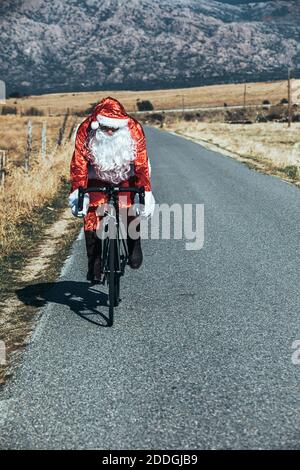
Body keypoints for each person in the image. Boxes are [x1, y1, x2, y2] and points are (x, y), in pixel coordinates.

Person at [69, 97, 155, 282]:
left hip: (126, 172)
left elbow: (141, 164)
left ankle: (134, 245)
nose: (109, 131)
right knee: (92, 213)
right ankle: (94, 260)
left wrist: (144, 191)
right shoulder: (86, 129)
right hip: (96, 173)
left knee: (128, 207)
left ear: (121, 126)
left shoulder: (134, 128)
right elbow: (79, 163)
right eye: (104, 128)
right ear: (97, 124)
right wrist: (79, 191)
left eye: (114, 128)